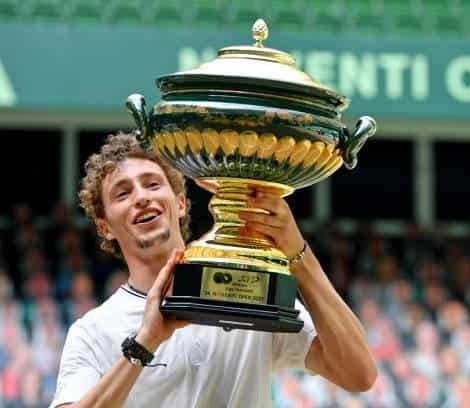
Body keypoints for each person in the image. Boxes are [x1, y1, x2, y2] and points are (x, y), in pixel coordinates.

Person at [50, 132, 376, 407]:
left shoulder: (249, 289)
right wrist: (145, 343)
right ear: (105, 227)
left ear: (180, 203)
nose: (141, 198)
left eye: (152, 184)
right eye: (123, 193)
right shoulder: (92, 332)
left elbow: (358, 374)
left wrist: (296, 252)